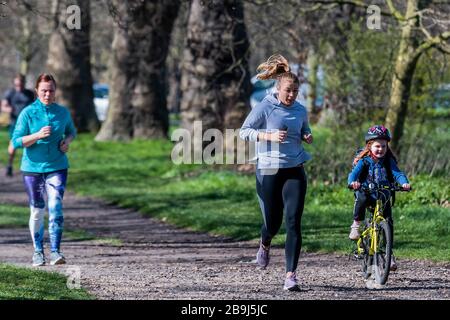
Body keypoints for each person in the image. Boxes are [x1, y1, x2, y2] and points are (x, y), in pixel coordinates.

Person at [239, 54, 313, 291]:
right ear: (278, 88)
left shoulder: (301, 110)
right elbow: (245, 131)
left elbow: (304, 128)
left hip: (295, 169)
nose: (291, 95)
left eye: (295, 91)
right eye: (287, 91)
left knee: (293, 222)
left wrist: (306, 135)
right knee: (272, 222)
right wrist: (267, 135)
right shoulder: (266, 106)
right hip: (269, 168)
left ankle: (290, 275)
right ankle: (265, 243)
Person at [11, 73, 77, 267]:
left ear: (56, 91)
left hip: (57, 166)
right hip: (32, 169)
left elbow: (72, 131)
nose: (47, 94)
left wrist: (67, 142)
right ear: (37, 91)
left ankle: (56, 252)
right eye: (44, 91)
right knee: (37, 210)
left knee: (55, 207)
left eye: (51, 91)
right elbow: (16, 141)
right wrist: (37, 135)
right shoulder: (28, 113)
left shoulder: (62, 112)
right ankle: (38, 252)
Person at [347, 125, 411, 271]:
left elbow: (398, 174)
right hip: (367, 192)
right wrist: (353, 182)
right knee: (361, 199)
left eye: (383, 146)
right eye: (377, 146)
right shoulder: (364, 161)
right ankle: (356, 224)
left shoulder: (389, 160)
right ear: (369, 146)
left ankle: (389, 253)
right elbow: (354, 174)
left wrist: (404, 183)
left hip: (383, 194)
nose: (380, 149)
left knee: (388, 222)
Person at [1, 74, 35, 176]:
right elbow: (3, 106)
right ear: (14, 84)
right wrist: (8, 109)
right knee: (13, 145)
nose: (18, 87)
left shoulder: (30, 94)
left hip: (29, 124)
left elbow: (37, 105)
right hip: (14, 123)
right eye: (17, 85)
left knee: (29, 144)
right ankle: (10, 165)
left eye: (20, 85)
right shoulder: (10, 93)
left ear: (24, 84)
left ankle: (29, 168)